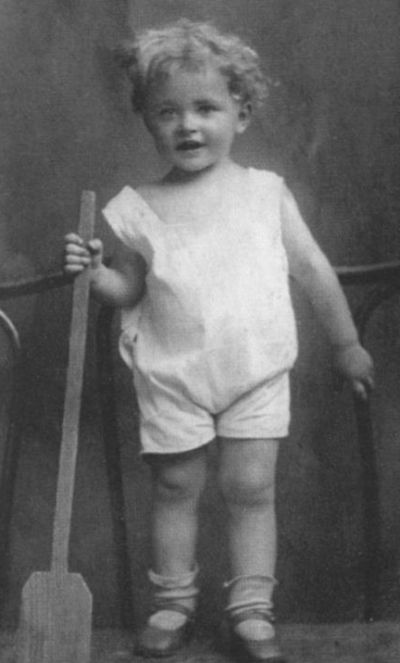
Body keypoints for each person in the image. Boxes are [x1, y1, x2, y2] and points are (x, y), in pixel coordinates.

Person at [64, 19, 374, 662]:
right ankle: (172, 603)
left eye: (206, 108)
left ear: (242, 113)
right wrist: (96, 274)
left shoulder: (265, 194)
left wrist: (346, 344)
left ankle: (252, 609)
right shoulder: (139, 205)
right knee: (175, 487)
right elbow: (129, 288)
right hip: (173, 372)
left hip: (254, 370)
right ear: (148, 121)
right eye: (168, 111)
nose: (188, 125)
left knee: (251, 487)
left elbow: (312, 269)